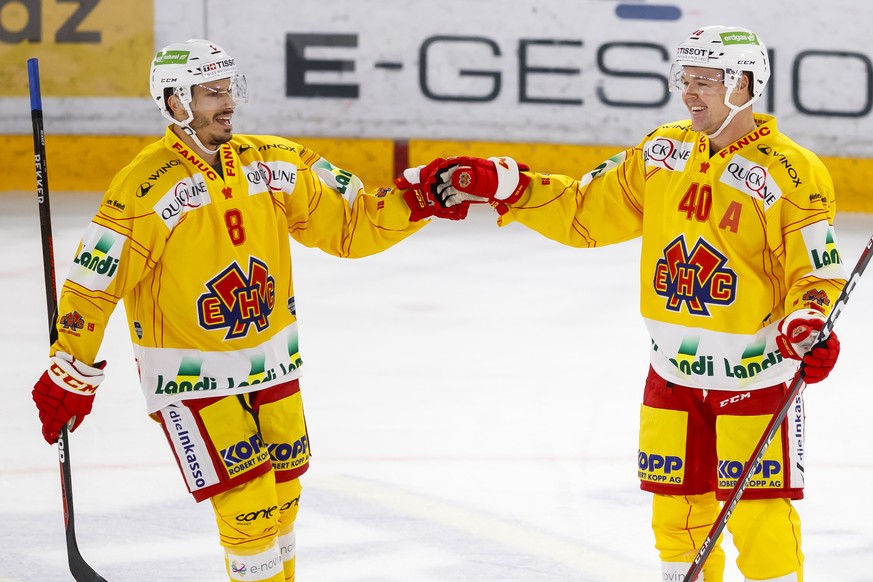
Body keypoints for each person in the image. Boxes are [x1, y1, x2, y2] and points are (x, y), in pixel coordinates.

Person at [412, 25, 845, 582]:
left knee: (758, 515)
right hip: (671, 371)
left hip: (755, 376)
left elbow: (816, 271)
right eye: (685, 79)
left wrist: (809, 318)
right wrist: (511, 186)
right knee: (677, 515)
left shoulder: (794, 172)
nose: (691, 94)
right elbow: (584, 211)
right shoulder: (661, 152)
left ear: (745, 83)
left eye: (707, 81)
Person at [31, 39, 461, 582]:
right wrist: (71, 368)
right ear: (174, 102)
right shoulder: (143, 186)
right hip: (190, 377)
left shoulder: (275, 161)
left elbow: (352, 227)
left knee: (282, 495)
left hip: (274, 363)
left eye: (227, 87)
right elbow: (95, 283)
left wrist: (418, 200)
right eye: (210, 91)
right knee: (249, 505)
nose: (226, 101)